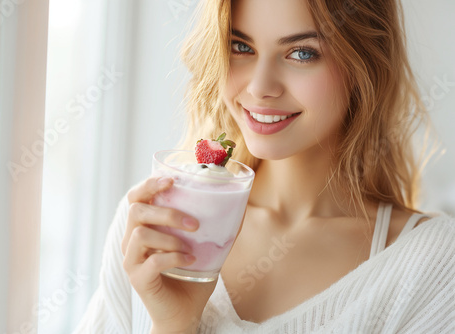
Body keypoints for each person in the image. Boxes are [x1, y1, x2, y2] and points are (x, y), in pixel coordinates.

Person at [75, 0, 455, 333]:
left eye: (302, 53)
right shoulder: (153, 226)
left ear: (364, 64)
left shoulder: (431, 265)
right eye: (241, 46)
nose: (260, 87)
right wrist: (173, 326)